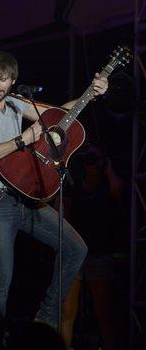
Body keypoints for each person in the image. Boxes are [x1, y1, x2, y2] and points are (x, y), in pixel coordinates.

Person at [0, 52, 108, 340]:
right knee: (3, 276)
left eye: (2, 80)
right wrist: (23, 139)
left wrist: (90, 93)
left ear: (13, 80)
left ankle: (45, 322)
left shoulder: (17, 102)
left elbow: (58, 115)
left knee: (76, 248)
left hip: (28, 198)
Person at [61, 142, 122, 350]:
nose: (90, 160)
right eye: (87, 156)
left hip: (99, 253)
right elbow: (63, 215)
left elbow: (118, 192)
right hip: (75, 254)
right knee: (67, 310)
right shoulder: (74, 184)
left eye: (94, 157)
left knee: (103, 312)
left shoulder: (107, 184)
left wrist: (109, 168)